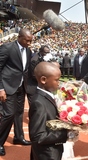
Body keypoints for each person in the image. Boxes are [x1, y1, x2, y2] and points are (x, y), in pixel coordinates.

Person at [0, 28, 33, 156]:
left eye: (30, 41)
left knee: (19, 112)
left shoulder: (28, 50)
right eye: (27, 40)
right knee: (9, 114)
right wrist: (1, 88)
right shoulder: (7, 48)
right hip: (7, 87)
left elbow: (25, 70)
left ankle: (18, 137)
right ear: (19, 37)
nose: (29, 43)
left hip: (21, 87)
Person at [28, 62, 68, 160]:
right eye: (57, 80)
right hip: (47, 154)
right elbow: (38, 136)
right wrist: (66, 133)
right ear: (43, 80)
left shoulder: (47, 96)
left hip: (51, 151)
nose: (59, 83)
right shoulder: (39, 103)